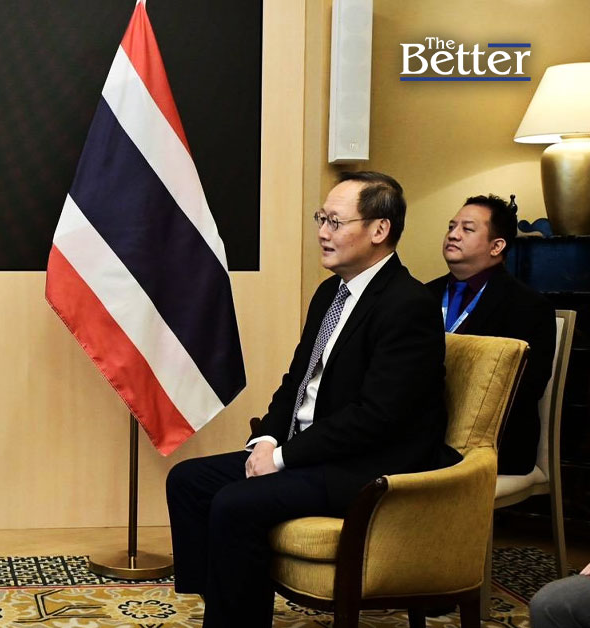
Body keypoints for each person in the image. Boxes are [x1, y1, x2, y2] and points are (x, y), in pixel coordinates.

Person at [166, 171, 456, 627]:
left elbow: (377, 417)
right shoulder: (330, 294)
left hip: (365, 466)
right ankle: (228, 604)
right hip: (313, 452)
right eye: (321, 219)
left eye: (336, 222)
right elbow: (296, 382)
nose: (322, 232)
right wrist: (265, 441)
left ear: (379, 230)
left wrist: (282, 458)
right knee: (188, 481)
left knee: (235, 503)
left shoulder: (407, 304)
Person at [426, 194, 555, 475]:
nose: (453, 235)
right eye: (451, 227)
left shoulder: (528, 306)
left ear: (497, 246)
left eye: (467, 229)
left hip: (493, 443)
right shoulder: (422, 296)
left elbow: (527, 387)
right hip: (423, 429)